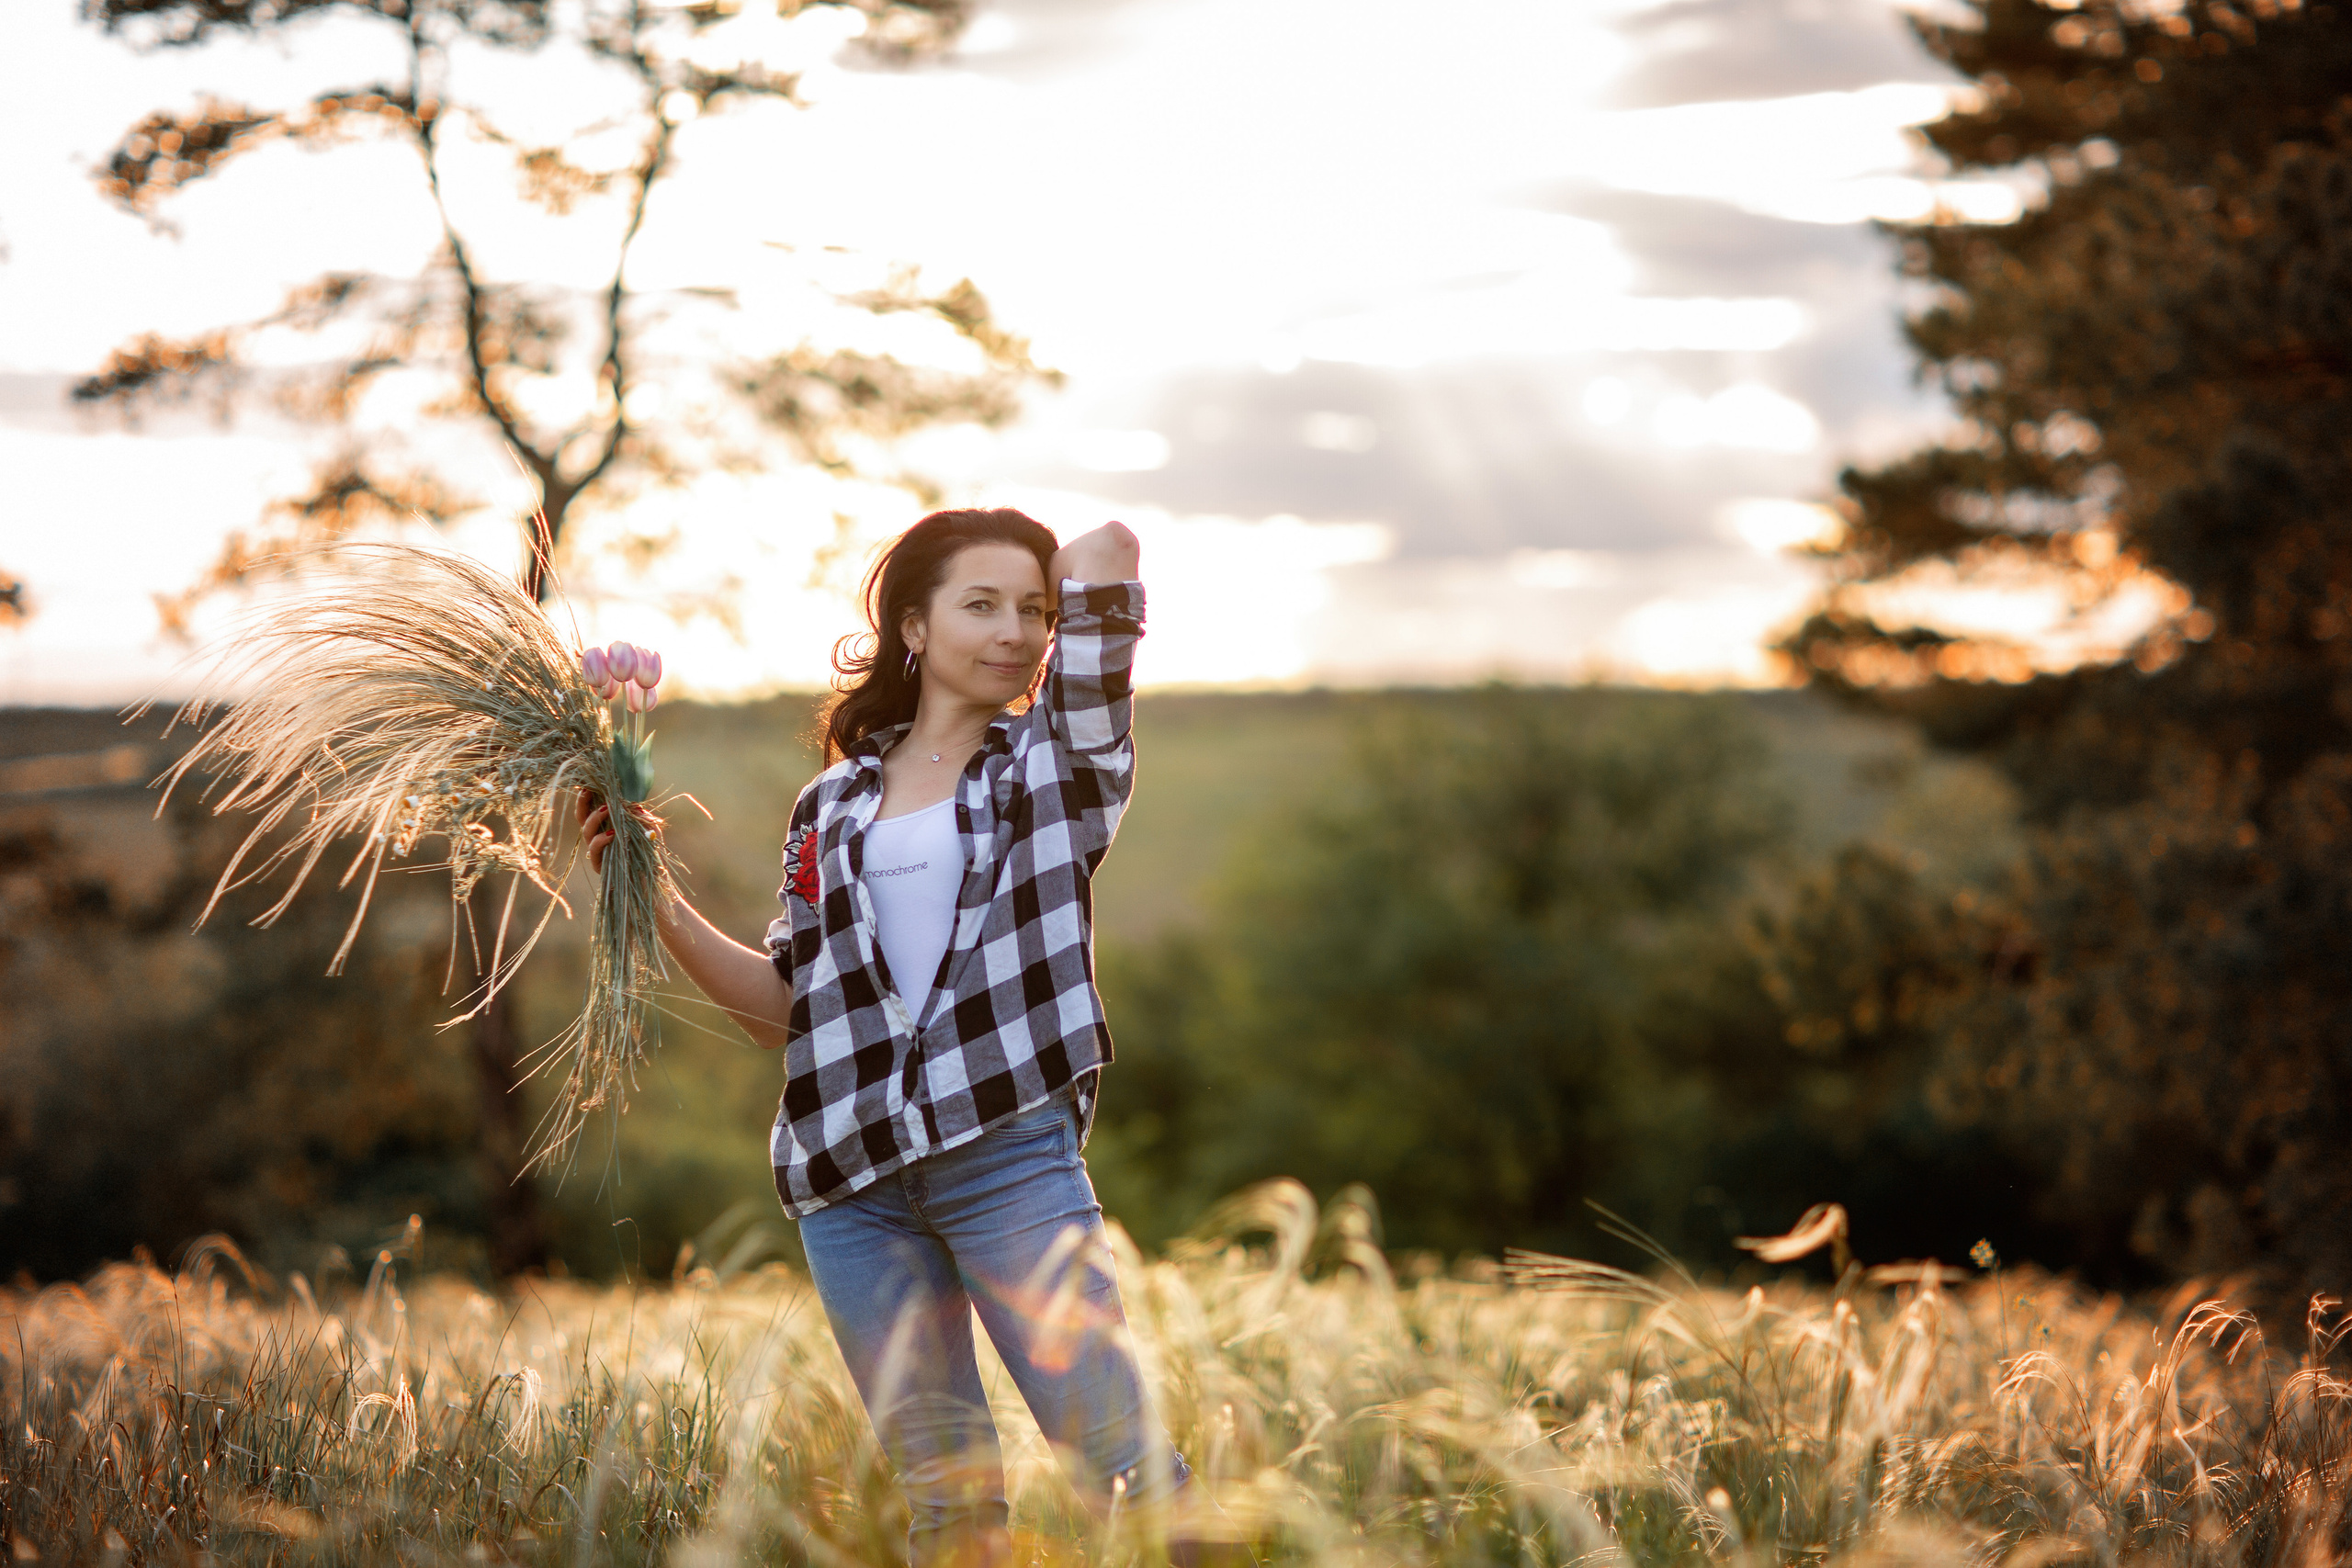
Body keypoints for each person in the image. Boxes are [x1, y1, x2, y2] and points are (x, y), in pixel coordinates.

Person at [580, 508, 1205, 1567]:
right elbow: (783, 1012)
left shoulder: (1056, 765)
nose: (1016, 632)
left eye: (1035, 614)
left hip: (1007, 1161)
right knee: (946, 1509)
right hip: (850, 1187)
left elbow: (1109, 548)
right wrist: (650, 895)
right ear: (910, 627)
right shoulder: (828, 805)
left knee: (1123, 1472)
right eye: (980, 605)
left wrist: (1028, 569)